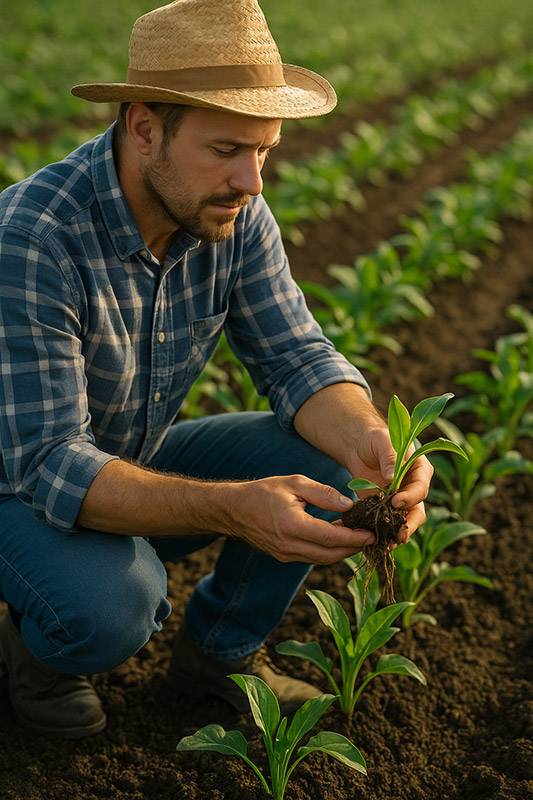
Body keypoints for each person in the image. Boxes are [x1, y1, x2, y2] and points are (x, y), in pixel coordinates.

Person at [0, 0, 432, 739]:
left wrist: (368, 442)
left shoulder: (227, 210)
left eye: (263, 150)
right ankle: (38, 653)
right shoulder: (33, 238)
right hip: (20, 487)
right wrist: (230, 505)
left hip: (124, 457)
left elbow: (295, 355)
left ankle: (219, 652)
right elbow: (48, 463)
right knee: (113, 610)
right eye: (228, 148)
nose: (252, 180)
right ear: (143, 128)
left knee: (325, 459)